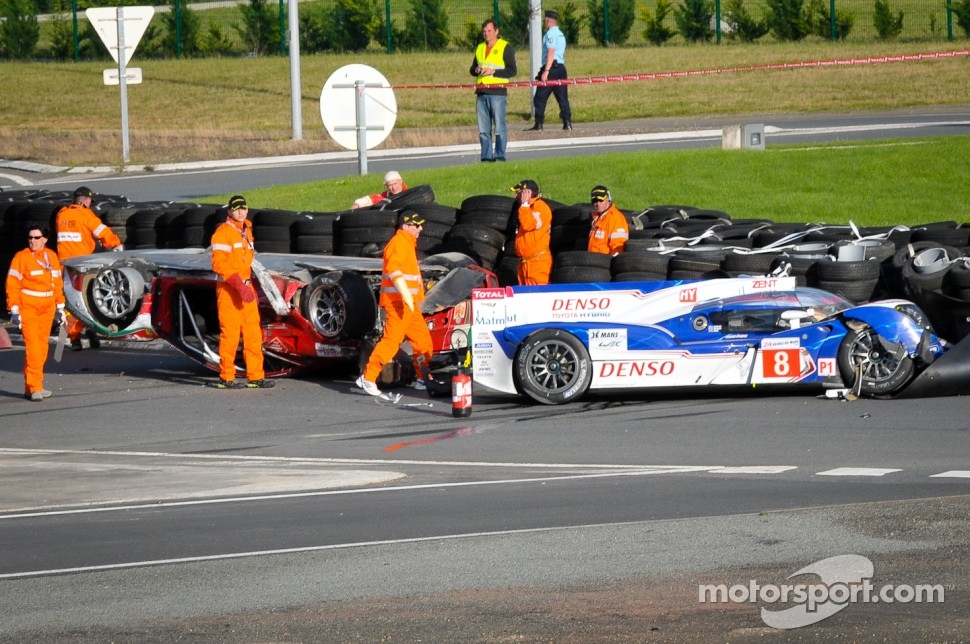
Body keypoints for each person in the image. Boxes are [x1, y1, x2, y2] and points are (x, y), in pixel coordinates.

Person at [356, 212, 434, 396]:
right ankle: (368, 377)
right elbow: (393, 269)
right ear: (405, 226)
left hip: (409, 305)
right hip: (398, 304)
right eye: (417, 225)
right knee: (391, 342)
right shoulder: (399, 243)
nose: (420, 229)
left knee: (423, 342)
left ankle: (423, 378)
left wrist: (411, 299)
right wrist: (406, 295)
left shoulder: (407, 244)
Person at [209, 195, 274, 389]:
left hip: (246, 287)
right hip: (229, 289)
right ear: (229, 211)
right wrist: (239, 285)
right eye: (236, 208)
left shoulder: (247, 229)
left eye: (243, 208)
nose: (240, 211)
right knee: (230, 334)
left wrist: (248, 285)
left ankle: (255, 377)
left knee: (253, 332)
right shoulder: (223, 233)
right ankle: (226, 377)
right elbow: (219, 264)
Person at [55, 186, 124, 351]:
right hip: (83, 265)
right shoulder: (86, 215)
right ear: (86, 200)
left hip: (64, 266)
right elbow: (103, 232)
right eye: (89, 201)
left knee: (70, 303)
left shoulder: (61, 214)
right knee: (88, 299)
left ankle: (75, 339)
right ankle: (91, 330)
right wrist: (117, 245)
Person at [6, 226, 66, 401]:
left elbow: (57, 283)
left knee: (42, 349)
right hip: (28, 307)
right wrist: (15, 310)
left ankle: (30, 385)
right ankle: (35, 388)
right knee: (33, 348)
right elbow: (12, 285)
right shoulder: (21, 258)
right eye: (30, 237)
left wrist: (61, 307)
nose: (32, 240)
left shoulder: (52, 257)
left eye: (36, 237)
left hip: (47, 308)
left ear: (45, 239)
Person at [470, 19, 517, 163]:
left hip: (497, 92)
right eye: (484, 31)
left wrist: (493, 72)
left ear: (496, 31)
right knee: (484, 129)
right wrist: (476, 70)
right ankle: (486, 157)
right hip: (481, 92)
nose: (486, 33)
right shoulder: (479, 48)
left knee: (499, 127)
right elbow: (472, 69)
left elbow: (512, 70)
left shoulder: (505, 47)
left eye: (489, 31)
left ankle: (499, 155)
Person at [525, 10, 572, 132]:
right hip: (561, 68)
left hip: (551, 69)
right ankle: (567, 123)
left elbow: (551, 52)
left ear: (548, 21)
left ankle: (539, 124)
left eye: (545, 21)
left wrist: (546, 71)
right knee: (562, 97)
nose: (544, 23)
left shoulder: (550, 34)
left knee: (540, 97)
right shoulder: (561, 34)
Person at [512, 179, 553, 285]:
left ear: (527, 193)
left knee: (537, 296)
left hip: (537, 262)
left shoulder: (540, 208)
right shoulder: (527, 208)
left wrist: (524, 204)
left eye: (518, 192)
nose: (515, 196)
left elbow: (528, 224)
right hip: (527, 262)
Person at [587, 185, 629, 256]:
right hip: (591, 262)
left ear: (608, 199)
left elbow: (618, 248)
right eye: (595, 201)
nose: (598, 204)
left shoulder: (616, 218)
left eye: (601, 200)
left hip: (605, 264)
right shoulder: (595, 219)